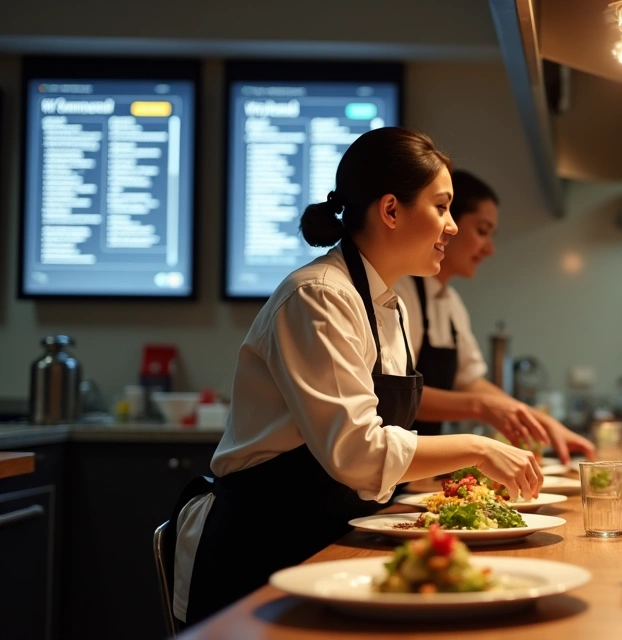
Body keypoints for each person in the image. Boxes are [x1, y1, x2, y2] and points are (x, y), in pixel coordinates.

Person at [167, 128, 542, 626]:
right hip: (264, 548)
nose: (450, 227)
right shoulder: (318, 296)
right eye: (442, 207)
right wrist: (478, 448)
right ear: (390, 210)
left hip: (332, 539)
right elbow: (357, 451)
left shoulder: (388, 306)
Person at [394, 169, 595, 463]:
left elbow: (470, 381)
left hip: (414, 467)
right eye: (482, 231)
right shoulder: (400, 292)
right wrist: (481, 407)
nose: (489, 249)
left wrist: (539, 422)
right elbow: (395, 397)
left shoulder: (449, 302)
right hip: (392, 467)